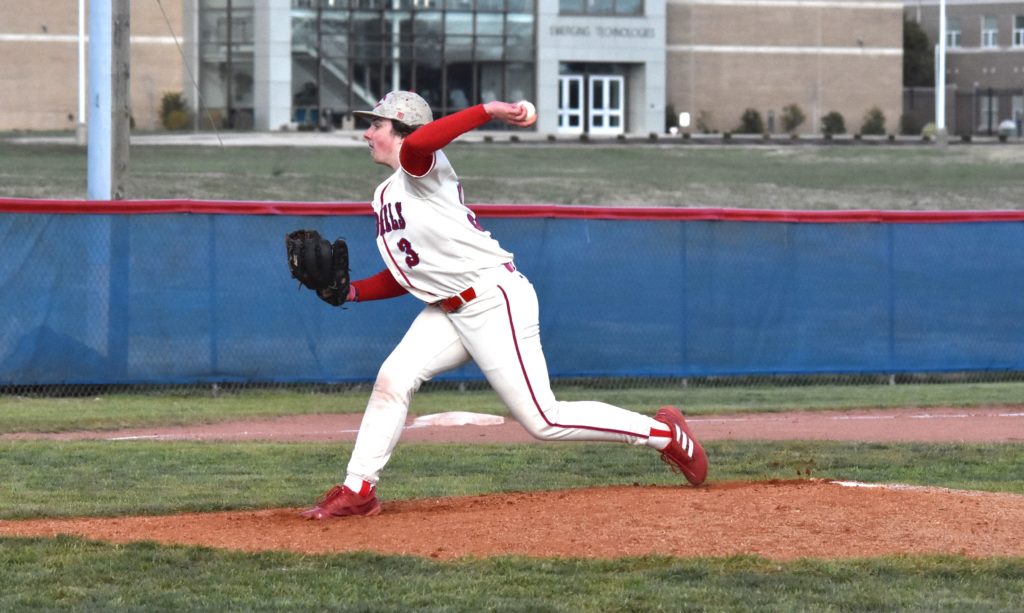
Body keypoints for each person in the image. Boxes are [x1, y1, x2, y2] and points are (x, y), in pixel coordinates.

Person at [300, 91, 707, 519]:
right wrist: (351, 292)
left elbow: (420, 143)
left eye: (376, 125)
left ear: (402, 131)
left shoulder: (421, 167)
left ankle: (664, 434)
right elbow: (411, 273)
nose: (367, 133)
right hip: (448, 307)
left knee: (544, 420)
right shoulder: (386, 194)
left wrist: (489, 111)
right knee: (393, 378)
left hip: (493, 299)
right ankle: (359, 489)